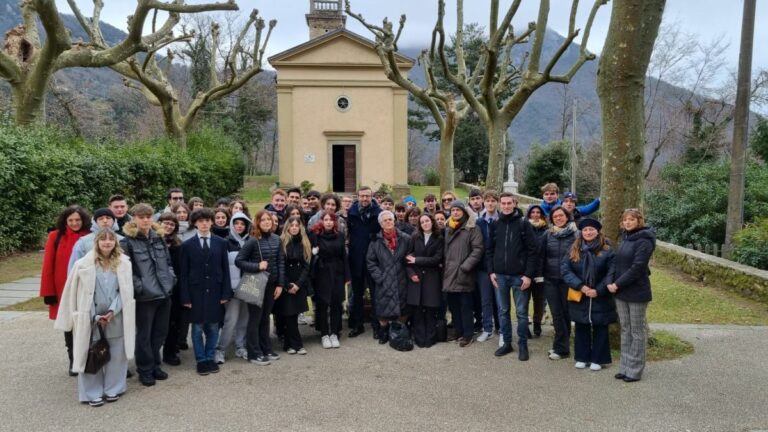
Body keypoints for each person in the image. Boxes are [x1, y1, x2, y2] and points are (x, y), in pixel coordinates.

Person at [54, 229, 135, 407]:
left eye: (111, 240)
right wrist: (95, 315)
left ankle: (113, 388)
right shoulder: (83, 264)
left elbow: (126, 292)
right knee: (90, 353)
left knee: (116, 354)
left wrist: (113, 310)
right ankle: (92, 393)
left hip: (116, 316)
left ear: (115, 242)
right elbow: (79, 293)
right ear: (97, 242)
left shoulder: (124, 263)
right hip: (91, 318)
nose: (107, 243)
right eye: (103, 240)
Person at [120, 203, 175, 386]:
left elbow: (168, 263)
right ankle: (144, 369)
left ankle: (155, 365)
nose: (145, 220)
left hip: (163, 293)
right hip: (144, 296)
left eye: (148, 216)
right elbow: (126, 270)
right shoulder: (127, 242)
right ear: (134, 218)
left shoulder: (159, 238)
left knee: (160, 333)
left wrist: (171, 278)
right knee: (144, 335)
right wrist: (140, 287)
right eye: (141, 217)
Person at [180, 208, 232, 376]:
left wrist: (225, 293)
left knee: (213, 327)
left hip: (216, 291)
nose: (204, 224)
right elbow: (183, 273)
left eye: (207, 220)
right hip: (195, 292)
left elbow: (225, 269)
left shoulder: (221, 243)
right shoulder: (187, 245)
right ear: (195, 223)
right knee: (197, 329)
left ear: (212, 222)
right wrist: (185, 296)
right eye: (200, 221)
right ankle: (201, 360)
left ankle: (210, 357)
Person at [486, 193, 538, 361]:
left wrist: (528, 275)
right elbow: (489, 250)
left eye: (509, 203)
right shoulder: (495, 224)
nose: (506, 206)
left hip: (519, 277)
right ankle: (507, 343)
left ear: (515, 204)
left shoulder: (523, 224)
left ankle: (523, 345)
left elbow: (532, 251)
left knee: (522, 313)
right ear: (500, 205)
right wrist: (491, 272)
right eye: (504, 203)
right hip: (500, 275)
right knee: (503, 311)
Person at [40, 205, 92, 375]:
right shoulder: (55, 236)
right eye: (71, 220)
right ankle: (73, 360)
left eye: (78, 220)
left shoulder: (90, 236)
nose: (75, 223)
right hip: (64, 289)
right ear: (65, 221)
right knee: (69, 326)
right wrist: (48, 292)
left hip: (86, 288)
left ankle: (89, 358)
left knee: (87, 324)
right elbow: (48, 265)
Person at [561, 218, 616, 371]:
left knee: (600, 326)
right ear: (581, 232)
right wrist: (581, 286)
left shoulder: (607, 250)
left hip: (600, 294)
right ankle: (582, 357)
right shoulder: (574, 248)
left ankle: (599, 359)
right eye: (585, 230)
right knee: (581, 325)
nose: (588, 232)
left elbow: (611, 272)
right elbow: (565, 269)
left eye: (591, 229)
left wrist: (598, 290)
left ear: (597, 231)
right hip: (580, 293)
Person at [608, 208, 656, 383]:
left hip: (636, 291)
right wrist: (613, 282)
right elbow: (618, 263)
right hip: (621, 291)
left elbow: (638, 267)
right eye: (625, 220)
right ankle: (625, 366)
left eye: (631, 220)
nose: (627, 222)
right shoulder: (626, 238)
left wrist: (617, 284)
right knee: (626, 329)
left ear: (639, 221)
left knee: (637, 331)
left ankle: (635, 370)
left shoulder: (645, 240)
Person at [236, 210, 285, 366]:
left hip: (272, 284)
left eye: (268, 220)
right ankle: (254, 353)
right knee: (255, 319)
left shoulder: (277, 239)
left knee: (265, 318)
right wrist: (257, 266)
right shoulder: (252, 241)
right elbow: (239, 261)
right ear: (257, 222)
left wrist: (280, 284)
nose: (266, 222)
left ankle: (266, 349)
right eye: (262, 220)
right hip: (257, 285)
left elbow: (280, 263)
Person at [537, 206, 577, 359]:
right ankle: (561, 347)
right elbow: (541, 256)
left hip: (568, 280)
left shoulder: (575, 234)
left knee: (566, 313)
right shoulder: (548, 234)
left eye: (561, 216)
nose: (558, 218)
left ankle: (562, 346)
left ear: (567, 217)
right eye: (555, 217)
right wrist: (540, 275)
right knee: (556, 313)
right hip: (551, 280)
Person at [366, 210, 411, 345]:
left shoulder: (405, 238)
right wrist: (380, 277)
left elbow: (410, 257)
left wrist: (408, 274)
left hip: (401, 277)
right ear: (381, 224)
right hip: (384, 279)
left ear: (394, 220)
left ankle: (398, 330)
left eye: (390, 219)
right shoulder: (376, 241)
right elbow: (370, 261)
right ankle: (384, 331)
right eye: (385, 220)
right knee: (383, 307)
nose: (388, 222)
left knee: (403, 306)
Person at [443, 200, 484, 347]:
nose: (455, 213)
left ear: (464, 212)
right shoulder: (448, 228)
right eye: (453, 210)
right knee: (454, 305)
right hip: (449, 273)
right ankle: (458, 330)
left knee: (466, 305)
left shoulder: (472, 228)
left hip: (463, 273)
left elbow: (477, 250)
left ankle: (468, 333)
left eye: (458, 210)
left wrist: (465, 267)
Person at [216, 211, 252, 364]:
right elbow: (222, 268)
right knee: (230, 320)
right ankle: (220, 349)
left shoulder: (251, 241)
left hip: (248, 288)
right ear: (232, 224)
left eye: (242, 224)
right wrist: (225, 289)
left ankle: (240, 346)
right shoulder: (225, 242)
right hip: (232, 289)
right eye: (236, 223)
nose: (239, 226)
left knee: (244, 319)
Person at [346, 186, 382, 338]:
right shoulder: (351, 213)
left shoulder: (378, 213)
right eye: (362, 196)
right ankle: (357, 325)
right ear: (358, 197)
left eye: (367, 196)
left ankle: (376, 325)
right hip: (356, 259)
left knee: (375, 294)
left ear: (371, 196)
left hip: (373, 259)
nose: (365, 199)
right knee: (357, 293)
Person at [309, 212, 349, 349]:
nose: (328, 222)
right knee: (323, 304)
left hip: (337, 272)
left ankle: (334, 332)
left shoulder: (340, 236)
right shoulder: (316, 235)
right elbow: (310, 253)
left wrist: (347, 276)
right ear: (322, 221)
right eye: (326, 220)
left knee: (336, 303)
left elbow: (344, 256)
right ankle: (324, 333)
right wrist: (314, 252)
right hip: (322, 272)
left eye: (331, 220)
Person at [405, 213, 444, 348]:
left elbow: (436, 259)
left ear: (432, 222)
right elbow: (407, 258)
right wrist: (411, 274)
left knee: (430, 310)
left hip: (432, 278)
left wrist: (417, 260)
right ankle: (419, 338)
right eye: (422, 222)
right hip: (416, 277)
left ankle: (430, 338)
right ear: (420, 225)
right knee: (417, 310)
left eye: (427, 221)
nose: (425, 223)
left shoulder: (439, 238)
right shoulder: (414, 237)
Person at [277, 216, 311, 354]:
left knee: (294, 314)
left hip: (299, 284)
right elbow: (280, 265)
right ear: (287, 227)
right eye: (292, 225)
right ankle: (297, 344)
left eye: (297, 225)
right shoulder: (281, 242)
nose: (295, 227)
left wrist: (298, 284)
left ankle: (288, 344)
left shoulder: (305, 243)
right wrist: (287, 284)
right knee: (289, 315)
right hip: (286, 283)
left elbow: (306, 266)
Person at [157, 213, 184, 367]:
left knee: (173, 323)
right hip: (155, 288)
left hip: (174, 288)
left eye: (172, 225)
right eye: (165, 223)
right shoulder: (152, 241)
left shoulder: (178, 245)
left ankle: (170, 352)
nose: (168, 226)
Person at [475, 192, 498, 343]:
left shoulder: (502, 219)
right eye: (487, 201)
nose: (490, 204)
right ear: (484, 203)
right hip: (483, 267)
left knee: (501, 301)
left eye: (493, 201)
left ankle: (502, 328)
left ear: (497, 203)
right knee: (486, 299)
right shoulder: (479, 222)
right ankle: (487, 328)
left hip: (499, 267)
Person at [69, 208, 123, 272]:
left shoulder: (122, 241)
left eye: (108, 218)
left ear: (114, 221)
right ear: (95, 222)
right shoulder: (83, 242)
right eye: (101, 218)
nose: (105, 221)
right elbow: (73, 269)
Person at [526, 204, 549, 339]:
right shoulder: (524, 228)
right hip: (526, 271)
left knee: (539, 300)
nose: (535, 215)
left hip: (541, 270)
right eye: (532, 212)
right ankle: (524, 326)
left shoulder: (546, 230)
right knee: (524, 299)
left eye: (538, 212)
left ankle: (537, 323)